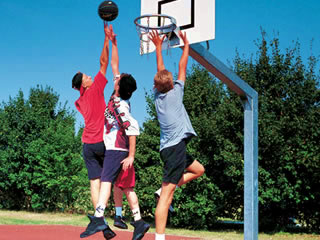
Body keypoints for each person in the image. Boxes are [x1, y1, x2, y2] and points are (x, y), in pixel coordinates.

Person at [80, 24, 150, 240]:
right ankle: (138, 222)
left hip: (116, 149)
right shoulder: (119, 95)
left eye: (119, 79)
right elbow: (114, 64)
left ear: (119, 87)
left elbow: (133, 130)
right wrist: (114, 42)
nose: (116, 78)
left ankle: (99, 217)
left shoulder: (121, 106)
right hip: (118, 150)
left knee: (106, 181)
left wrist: (130, 155)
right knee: (127, 188)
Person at [149, 30, 205, 240]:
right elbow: (182, 67)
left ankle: (159, 191)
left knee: (199, 170)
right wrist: (186, 45)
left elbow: (160, 70)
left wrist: (157, 47)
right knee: (167, 195)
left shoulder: (157, 96)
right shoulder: (177, 92)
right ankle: (160, 237)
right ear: (172, 84)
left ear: (156, 86)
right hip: (175, 150)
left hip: (170, 148)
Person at [72, 22, 116, 239]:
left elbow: (94, 69)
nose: (91, 76)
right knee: (110, 180)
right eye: (87, 76)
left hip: (87, 146)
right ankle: (117, 215)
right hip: (102, 142)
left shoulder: (79, 100)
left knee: (94, 183)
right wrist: (107, 39)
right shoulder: (95, 87)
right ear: (86, 84)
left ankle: (102, 225)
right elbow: (103, 62)